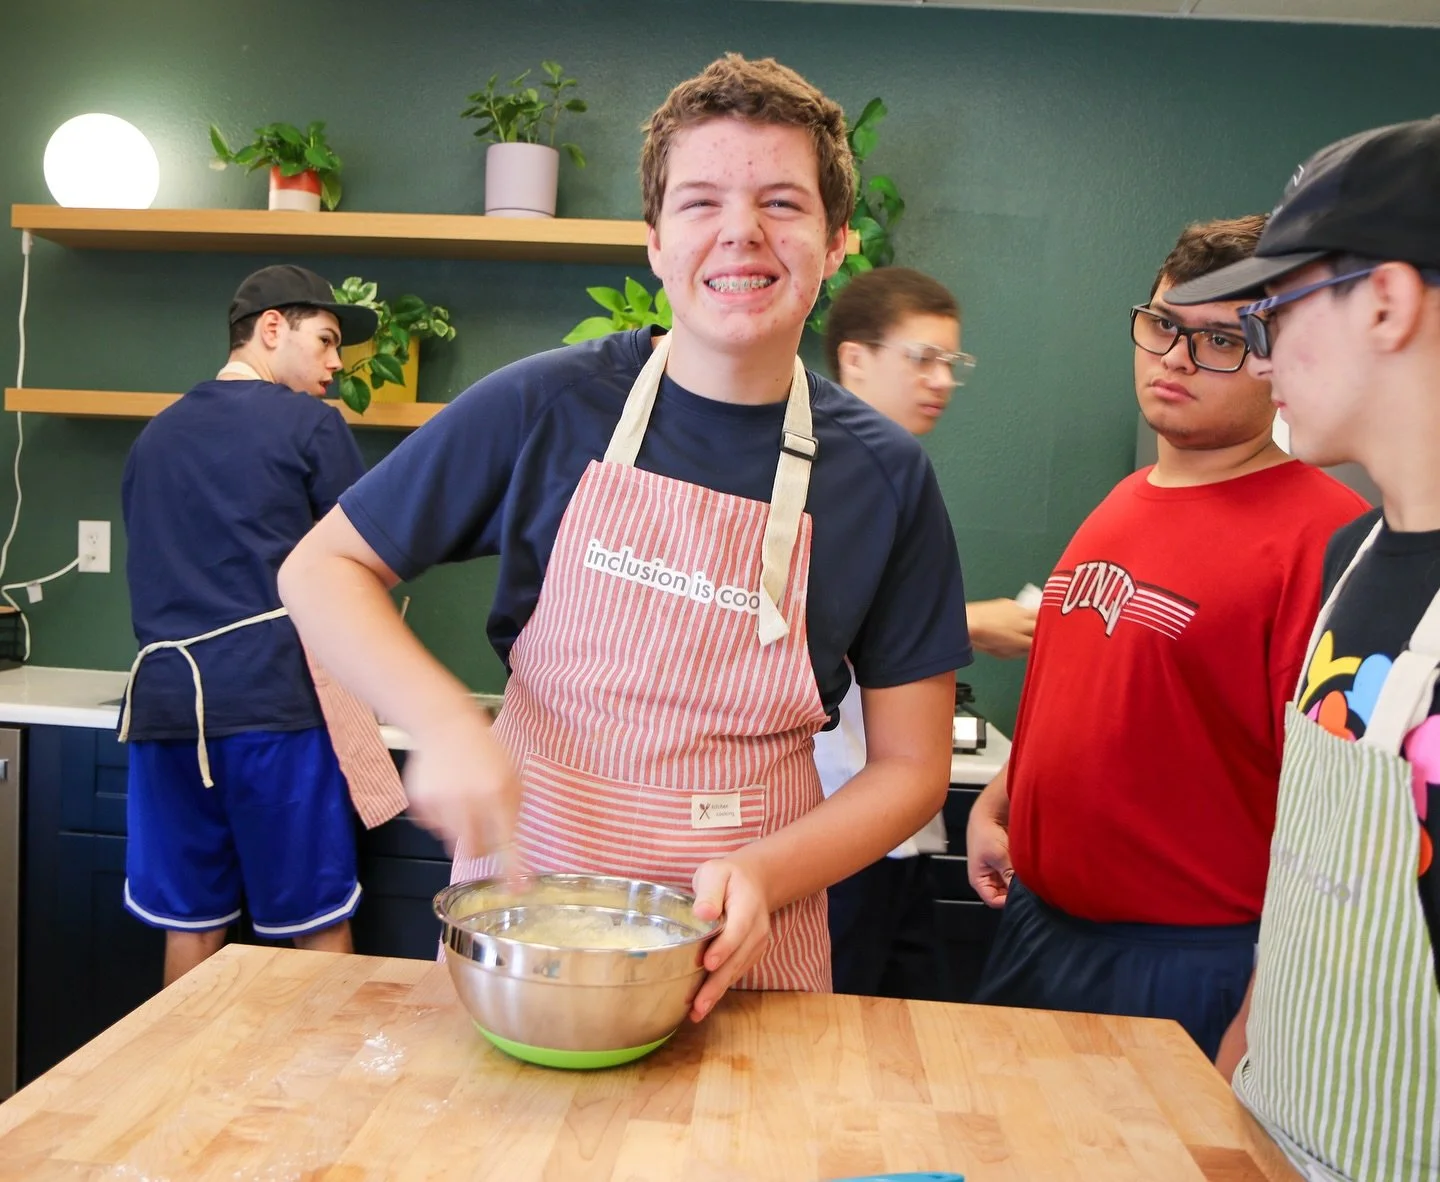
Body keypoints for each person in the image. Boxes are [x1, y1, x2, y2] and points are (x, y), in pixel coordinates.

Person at [278, 55, 971, 1021]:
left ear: (836, 240)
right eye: (700, 202)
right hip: (529, 930)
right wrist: (443, 724)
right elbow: (321, 568)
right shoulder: (546, 404)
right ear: (654, 239)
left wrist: (767, 873)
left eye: (782, 203)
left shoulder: (886, 476)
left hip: (748, 948)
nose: (741, 230)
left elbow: (912, 767)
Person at [965, 216, 1369, 1059]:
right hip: (1039, 928)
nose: (1176, 359)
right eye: (1163, 326)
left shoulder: (1326, 539)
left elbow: (1337, 817)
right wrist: (1003, 799)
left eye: (1221, 340)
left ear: (1281, 358)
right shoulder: (1125, 500)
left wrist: (1262, 1014)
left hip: (1188, 966)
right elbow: (1097, 694)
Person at [1165, 116, 1440, 1181]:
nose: (1263, 353)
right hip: (1275, 1126)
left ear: (1387, 302)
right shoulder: (1349, 561)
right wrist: (1244, 1049)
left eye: (1276, 311)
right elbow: (1313, 885)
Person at [119, 263, 403, 987]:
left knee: (190, 920)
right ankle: (329, 1069)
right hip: (274, 711)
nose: (336, 364)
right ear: (272, 328)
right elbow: (365, 563)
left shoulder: (153, 438)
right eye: (327, 340)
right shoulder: (311, 425)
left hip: (163, 713)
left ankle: (183, 1066)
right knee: (316, 917)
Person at [819, 265, 1034, 997]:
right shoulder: (811, 473)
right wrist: (970, 623)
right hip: (831, 821)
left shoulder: (899, 476)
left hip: (899, 828)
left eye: (951, 362)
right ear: (855, 359)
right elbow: (807, 630)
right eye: (922, 358)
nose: (941, 380)